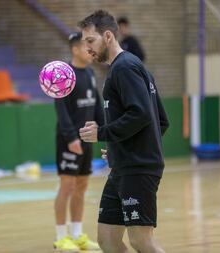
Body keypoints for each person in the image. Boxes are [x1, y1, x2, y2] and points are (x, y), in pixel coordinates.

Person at [78, 10, 169, 253]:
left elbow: (140, 114)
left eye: (90, 40)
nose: (87, 48)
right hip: (123, 166)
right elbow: (161, 120)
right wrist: (121, 146)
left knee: (141, 241)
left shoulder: (125, 68)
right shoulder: (125, 68)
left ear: (107, 36)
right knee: (107, 240)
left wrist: (103, 133)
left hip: (138, 169)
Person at [53, 31, 104, 252]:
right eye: (86, 46)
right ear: (75, 49)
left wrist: (105, 133)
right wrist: (71, 137)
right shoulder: (64, 74)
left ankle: (77, 234)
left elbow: (97, 106)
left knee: (81, 187)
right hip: (69, 140)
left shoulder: (91, 74)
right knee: (67, 186)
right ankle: (61, 237)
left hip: (87, 139)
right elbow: (61, 109)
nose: (91, 50)